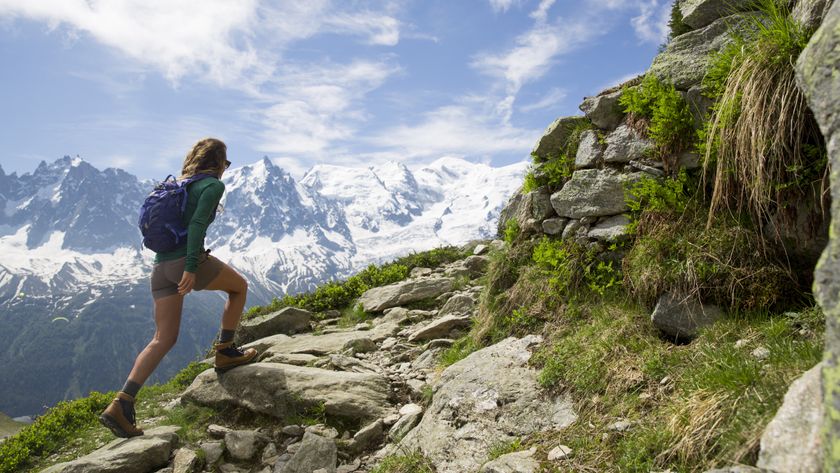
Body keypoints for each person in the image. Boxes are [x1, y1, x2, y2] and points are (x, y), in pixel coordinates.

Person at [99, 137, 257, 438]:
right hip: (185, 261)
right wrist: (191, 266)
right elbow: (197, 225)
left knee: (162, 338)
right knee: (239, 287)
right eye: (226, 163)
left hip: (159, 269)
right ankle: (225, 351)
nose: (226, 168)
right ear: (218, 162)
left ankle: (122, 403)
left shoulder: (180, 185)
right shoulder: (212, 186)